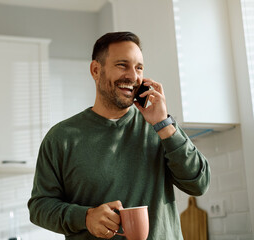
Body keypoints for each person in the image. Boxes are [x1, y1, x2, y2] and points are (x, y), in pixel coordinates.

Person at [27, 31, 210, 239]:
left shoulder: (160, 127)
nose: (133, 76)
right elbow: (39, 207)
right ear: (96, 70)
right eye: (122, 65)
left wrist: (164, 125)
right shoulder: (61, 137)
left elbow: (199, 184)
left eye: (139, 67)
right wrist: (85, 217)